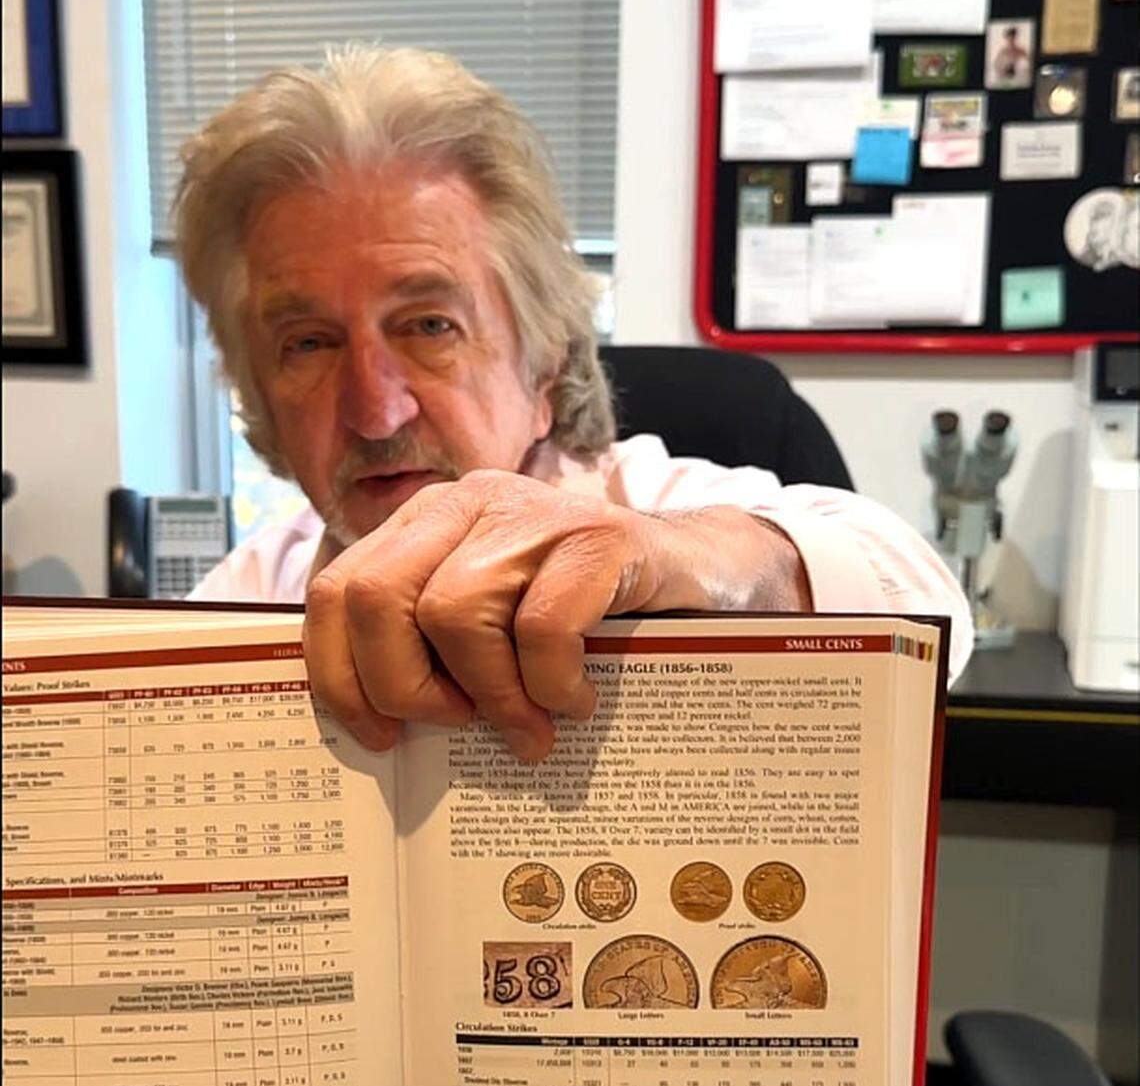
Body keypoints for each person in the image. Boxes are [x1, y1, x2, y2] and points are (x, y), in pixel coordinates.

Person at [180, 45, 972, 759]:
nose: (376, 411)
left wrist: (685, 562)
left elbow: (925, 614)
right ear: (260, 391)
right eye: (309, 344)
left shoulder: (653, 505)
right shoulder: (245, 600)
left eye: (429, 326)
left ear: (543, 365)